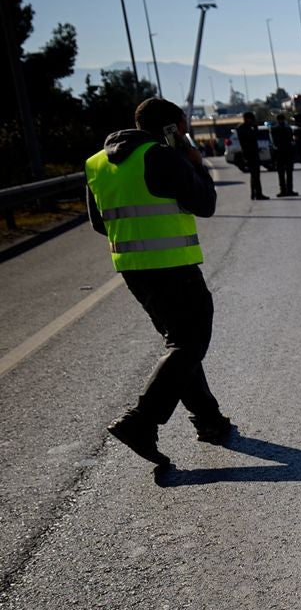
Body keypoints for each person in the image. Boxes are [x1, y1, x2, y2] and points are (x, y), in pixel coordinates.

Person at [85, 96, 234, 468]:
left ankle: (209, 421)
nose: (184, 134)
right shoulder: (162, 156)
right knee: (190, 342)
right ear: (170, 127)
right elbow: (206, 204)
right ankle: (141, 421)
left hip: (134, 270)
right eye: (182, 127)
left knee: (180, 346)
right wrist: (195, 163)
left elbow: (98, 222)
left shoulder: (97, 163)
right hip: (174, 266)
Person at [236, 111, 268, 200]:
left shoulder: (246, 127)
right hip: (250, 154)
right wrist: (254, 128)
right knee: (255, 175)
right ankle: (258, 194)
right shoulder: (243, 128)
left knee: (255, 175)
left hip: (252, 153)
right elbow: (252, 137)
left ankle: (254, 193)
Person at [269, 116, 296, 197]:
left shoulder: (274, 129)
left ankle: (283, 190)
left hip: (280, 153)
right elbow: (292, 140)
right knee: (288, 172)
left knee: (282, 173)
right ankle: (289, 190)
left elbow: (273, 142)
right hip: (286, 152)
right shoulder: (287, 128)